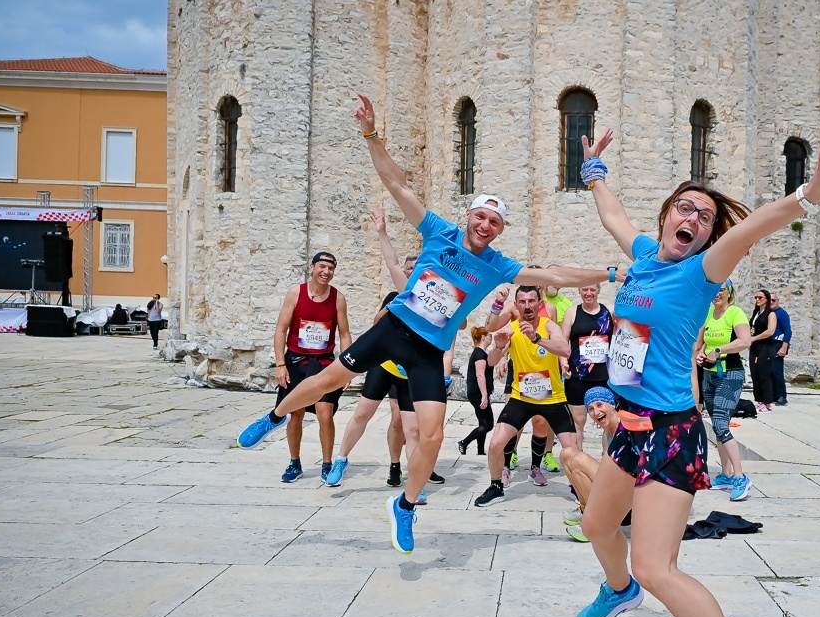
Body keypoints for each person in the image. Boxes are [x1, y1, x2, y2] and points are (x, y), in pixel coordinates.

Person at [238, 94, 611, 554]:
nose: (485, 225)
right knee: (326, 380)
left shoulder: (498, 265)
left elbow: (555, 276)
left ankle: (406, 505)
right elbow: (396, 184)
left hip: (428, 351)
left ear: (500, 230)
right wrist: (371, 134)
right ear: (468, 216)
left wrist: (611, 274)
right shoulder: (438, 231)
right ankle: (273, 418)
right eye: (481, 216)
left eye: (494, 222)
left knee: (432, 437)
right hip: (393, 329)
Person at [578, 122, 820, 617]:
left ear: (709, 235)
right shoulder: (644, 256)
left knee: (656, 565)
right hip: (627, 423)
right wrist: (593, 170)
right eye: (685, 208)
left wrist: (812, 194)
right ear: (665, 217)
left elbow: (756, 226)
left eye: (704, 217)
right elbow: (613, 216)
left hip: (671, 434)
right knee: (597, 524)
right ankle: (619, 590)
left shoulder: (701, 271)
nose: (694, 218)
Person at [324, 209, 444, 492]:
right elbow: (377, 321)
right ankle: (341, 460)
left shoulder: (430, 301)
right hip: (385, 367)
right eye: (409, 269)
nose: (411, 272)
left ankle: (415, 481)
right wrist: (394, 307)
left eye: (416, 269)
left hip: (409, 373)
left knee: (412, 429)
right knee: (362, 414)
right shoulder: (395, 296)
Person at [474, 285, 579, 506]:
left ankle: (577, 487)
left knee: (572, 450)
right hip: (521, 398)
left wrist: (536, 338)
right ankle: (496, 487)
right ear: (516, 305)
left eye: (531, 301)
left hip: (553, 399)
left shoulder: (548, 325)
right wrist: (498, 348)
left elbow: (565, 349)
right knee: (495, 444)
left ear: (540, 304)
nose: (527, 306)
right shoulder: (511, 329)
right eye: (522, 302)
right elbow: (491, 361)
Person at [272, 252, 352, 484]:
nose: (326, 272)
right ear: (312, 267)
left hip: (324, 364)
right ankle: (294, 463)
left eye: (330, 268)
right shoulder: (295, 293)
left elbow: (345, 334)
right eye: (322, 267)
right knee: (294, 414)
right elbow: (281, 329)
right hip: (296, 362)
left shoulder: (338, 298)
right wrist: (280, 364)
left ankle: (327, 465)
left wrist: (347, 368)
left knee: (325, 414)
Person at [694, 280, 754, 501]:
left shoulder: (735, 313)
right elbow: (700, 344)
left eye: (721, 290)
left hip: (730, 374)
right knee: (719, 425)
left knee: (719, 423)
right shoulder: (709, 314)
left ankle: (740, 477)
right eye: (713, 291)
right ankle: (726, 475)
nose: (717, 295)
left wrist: (719, 350)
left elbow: (745, 341)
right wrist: (701, 353)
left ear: (729, 292)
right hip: (709, 375)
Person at [560, 385, 619, 543]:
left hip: (628, 495)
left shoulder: (624, 428)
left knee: (579, 462)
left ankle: (597, 524)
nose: (596, 412)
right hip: (616, 482)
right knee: (567, 454)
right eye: (591, 409)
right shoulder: (609, 429)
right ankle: (585, 510)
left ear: (612, 404)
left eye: (600, 405)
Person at [561, 282, 614, 448]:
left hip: (604, 376)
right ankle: (578, 458)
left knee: (608, 422)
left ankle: (607, 458)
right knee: (578, 422)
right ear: (579, 290)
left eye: (592, 289)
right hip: (577, 376)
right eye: (584, 289)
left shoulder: (609, 311)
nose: (588, 293)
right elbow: (562, 342)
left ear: (598, 290)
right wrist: (563, 362)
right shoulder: (572, 312)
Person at [457, 326, 495, 456]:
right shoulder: (479, 354)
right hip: (478, 392)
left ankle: (480, 450)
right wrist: (484, 395)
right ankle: (464, 442)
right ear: (483, 337)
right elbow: (480, 375)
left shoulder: (480, 353)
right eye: (490, 335)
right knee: (488, 424)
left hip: (477, 392)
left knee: (483, 422)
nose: (491, 338)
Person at [748, 290, 777, 412]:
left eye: (760, 297)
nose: (758, 300)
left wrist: (755, 338)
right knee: (755, 374)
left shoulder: (771, 314)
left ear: (766, 299)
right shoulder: (756, 313)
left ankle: (767, 401)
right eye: (756, 297)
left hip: (765, 346)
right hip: (755, 346)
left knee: (764, 374)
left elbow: (770, 331)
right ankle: (759, 400)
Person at [770, 293, 791, 406]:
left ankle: (782, 396)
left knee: (777, 371)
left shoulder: (782, 314)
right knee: (769, 371)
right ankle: (774, 395)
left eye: (773, 300)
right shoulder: (768, 313)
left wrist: (784, 347)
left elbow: (788, 331)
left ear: (777, 301)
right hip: (769, 344)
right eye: (769, 300)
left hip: (778, 344)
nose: (771, 302)